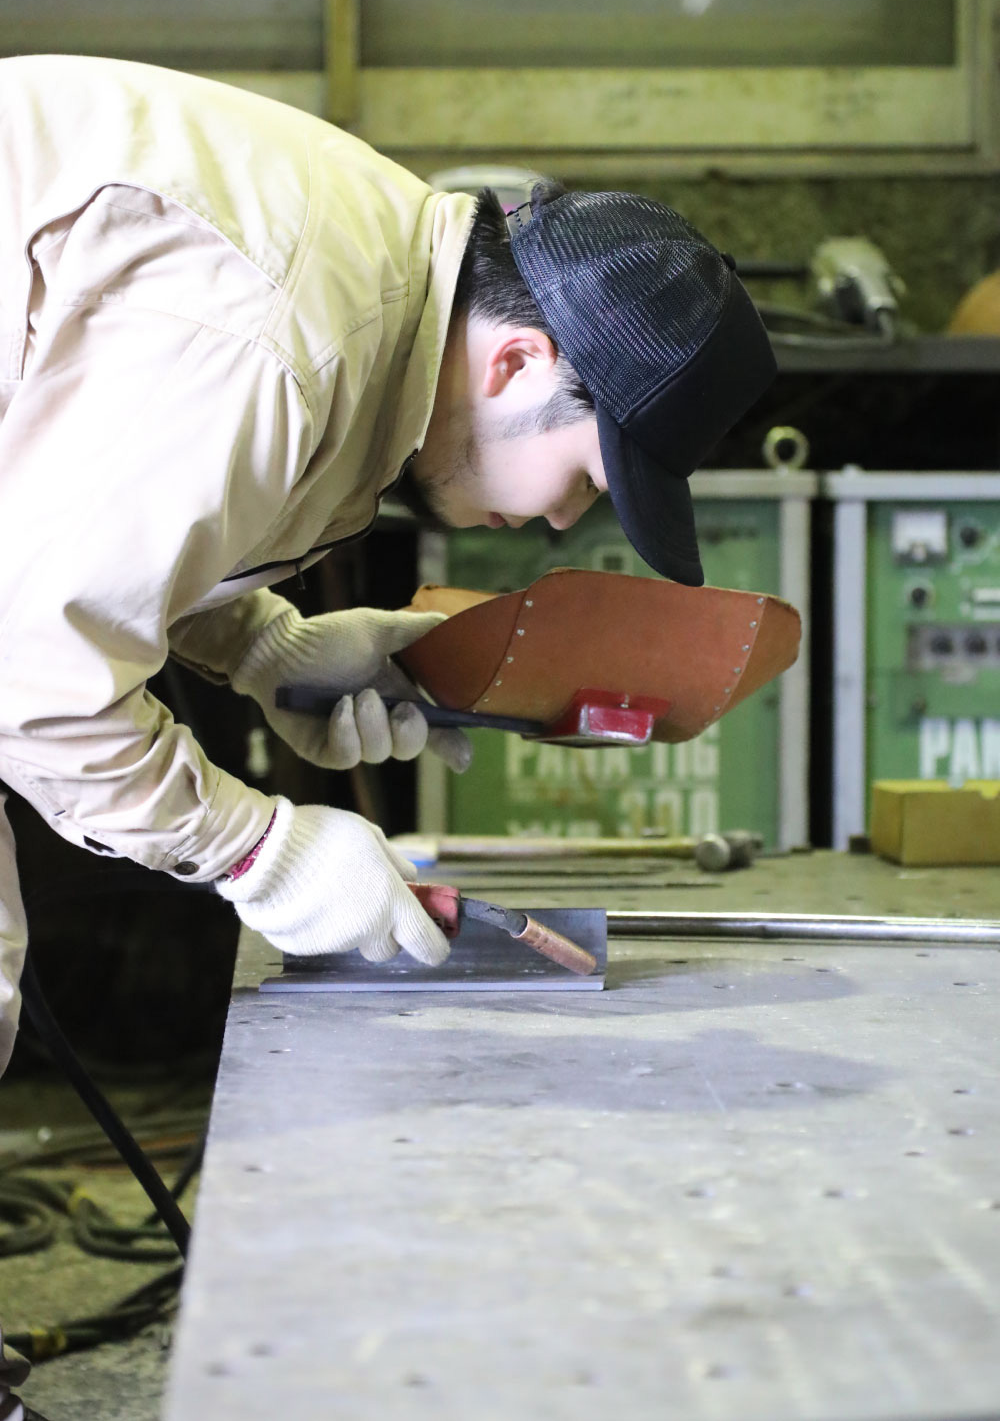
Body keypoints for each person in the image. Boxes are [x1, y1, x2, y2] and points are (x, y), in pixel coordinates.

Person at [0, 53, 777, 1084]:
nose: (559, 519)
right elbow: (35, 672)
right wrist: (256, 850)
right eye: (587, 478)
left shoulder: (382, 277)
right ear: (517, 362)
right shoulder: (280, 341)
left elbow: (76, 508)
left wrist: (265, 647)